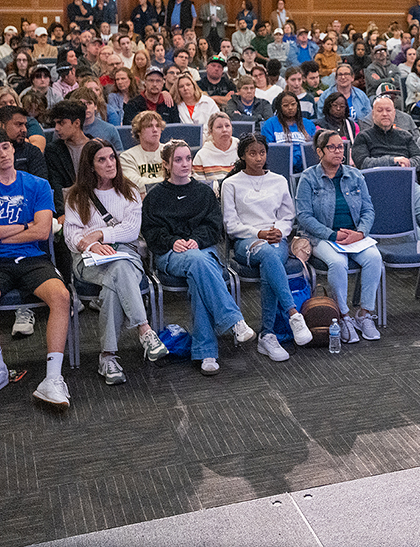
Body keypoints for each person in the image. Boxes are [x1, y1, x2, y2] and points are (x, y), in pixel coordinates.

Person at [0, 127, 72, 408]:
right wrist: (24, 225)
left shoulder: (37, 184)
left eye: (6, 148)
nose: (3, 154)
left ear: (13, 148)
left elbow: (42, 231)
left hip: (32, 258)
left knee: (61, 297)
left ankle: (53, 377)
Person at [142, 140, 256, 375]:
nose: (185, 164)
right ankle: (233, 320)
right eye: (178, 159)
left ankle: (206, 352)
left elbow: (214, 228)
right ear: (166, 164)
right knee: (199, 262)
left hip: (202, 250)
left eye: (188, 158)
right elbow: (151, 233)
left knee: (198, 272)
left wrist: (197, 239)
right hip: (170, 254)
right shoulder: (155, 197)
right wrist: (173, 241)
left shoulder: (204, 192)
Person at [64, 139, 168, 385]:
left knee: (116, 278)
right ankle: (144, 329)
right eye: (102, 159)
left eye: (112, 157)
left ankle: (108, 356)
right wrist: (90, 245)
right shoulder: (76, 195)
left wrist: (100, 234)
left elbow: (132, 231)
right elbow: (71, 235)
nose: (110, 163)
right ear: (90, 166)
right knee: (117, 274)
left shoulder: (129, 190)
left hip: (125, 254)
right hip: (88, 260)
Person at [221, 134, 314, 362]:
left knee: (270, 261)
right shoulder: (230, 183)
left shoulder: (279, 180)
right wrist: (259, 233)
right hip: (246, 242)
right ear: (242, 155)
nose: (258, 158)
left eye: (261, 152)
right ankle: (293, 313)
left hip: (276, 238)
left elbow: (287, 215)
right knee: (268, 255)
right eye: (252, 153)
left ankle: (268, 334)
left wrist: (279, 231)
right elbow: (231, 225)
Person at [295, 130, 382, 343]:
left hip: (353, 235)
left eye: (341, 147)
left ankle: (364, 314)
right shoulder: (308, 178)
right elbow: (304, 216)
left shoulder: (355, 175)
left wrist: (360, 232)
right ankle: (342, 316)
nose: (338, 151)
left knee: (374, 259)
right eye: (332, 147)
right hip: (322, 236)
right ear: (319, 151)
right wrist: (332, 234)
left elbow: (369, 210)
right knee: (337, 263)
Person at [352, 95, 420, 239]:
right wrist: (393, 160)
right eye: (380, 110)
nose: (385, 113)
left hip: (408, 184)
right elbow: (363, 163)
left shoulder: (405, 136)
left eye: (388, 110)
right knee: (415, 230)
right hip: (379, 187)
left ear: (395, 113)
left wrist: (409, 162)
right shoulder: (363, 137)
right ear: (373, 114)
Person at [262, 92, 317, 172]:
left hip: (305, 169)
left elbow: (312, 150)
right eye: (285, 105)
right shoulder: (269, 124)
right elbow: (269, 150)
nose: (290, 108)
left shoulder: (308, 124)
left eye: (293, 104)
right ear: (279, 107)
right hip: (279, 167)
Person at [121, 111, 166, 195]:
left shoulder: (171, 152)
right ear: (138, 131)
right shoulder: (127, 157)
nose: (155, 130)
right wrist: (167, 183)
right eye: (149, 126)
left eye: (157, 126)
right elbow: (133, 184)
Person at [193, 112, 240, 192]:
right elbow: (199, 187)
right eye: (219, 127)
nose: (224, 130)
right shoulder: (202, 155)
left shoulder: (241, 149)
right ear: (211, 132)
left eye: (227, 126)